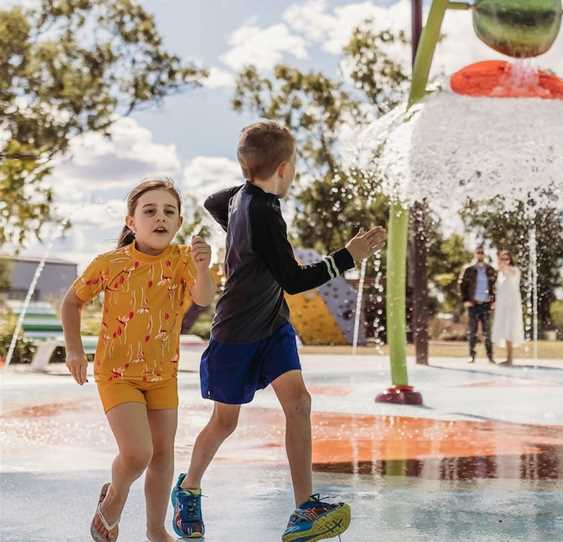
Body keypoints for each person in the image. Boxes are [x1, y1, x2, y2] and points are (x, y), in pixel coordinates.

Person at [171, 120, 386, 541]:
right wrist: (349, 255)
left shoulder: (240, 199)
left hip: (273, 326)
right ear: (284, 169)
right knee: (224, 423)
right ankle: (188, 490)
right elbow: (293, 278)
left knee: (299, 403)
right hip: (235, 331)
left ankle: (304, 508)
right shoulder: (262, 211)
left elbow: (217, 202)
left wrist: (238, 228)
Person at [61, 178, 215, 542]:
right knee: (137, 454)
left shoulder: (182, 260)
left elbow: (203, 298)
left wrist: (203, 267)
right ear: (131, 222)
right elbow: (72, 301)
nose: (160, 217)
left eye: (168, 212)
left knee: (162, 455)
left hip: (163, 375)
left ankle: (154, 529)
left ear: (178, 223)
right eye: (150, 211)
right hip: (117, 373)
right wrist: (74, 350)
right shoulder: (110, 262)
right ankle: (114, 497)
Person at [459, 246, 498, 363]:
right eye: (478, 253)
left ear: (484, 255)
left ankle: (490, 356)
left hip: (486, 305)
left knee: (488, 332)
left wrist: (493, 300)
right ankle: (471, 355)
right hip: (473, 305)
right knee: (472, 332)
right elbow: (462, 285)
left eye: (482, 253)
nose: (480, 255)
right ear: (475, 254)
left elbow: (494, 287)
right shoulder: (469, 269)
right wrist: (465, 300)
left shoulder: (490, 269)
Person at [491, 250, 524, 365]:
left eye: (507, 259)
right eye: (502, 259)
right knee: (504, 331)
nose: (505, 261)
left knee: (510, 330)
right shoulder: (500, 274)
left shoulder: (514, 270)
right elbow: (499, 290)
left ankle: (510, 359)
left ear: (510, 260)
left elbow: (510, 273)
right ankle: (507, 358)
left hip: (512, 306)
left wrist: (503, 265)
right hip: (502, 306)